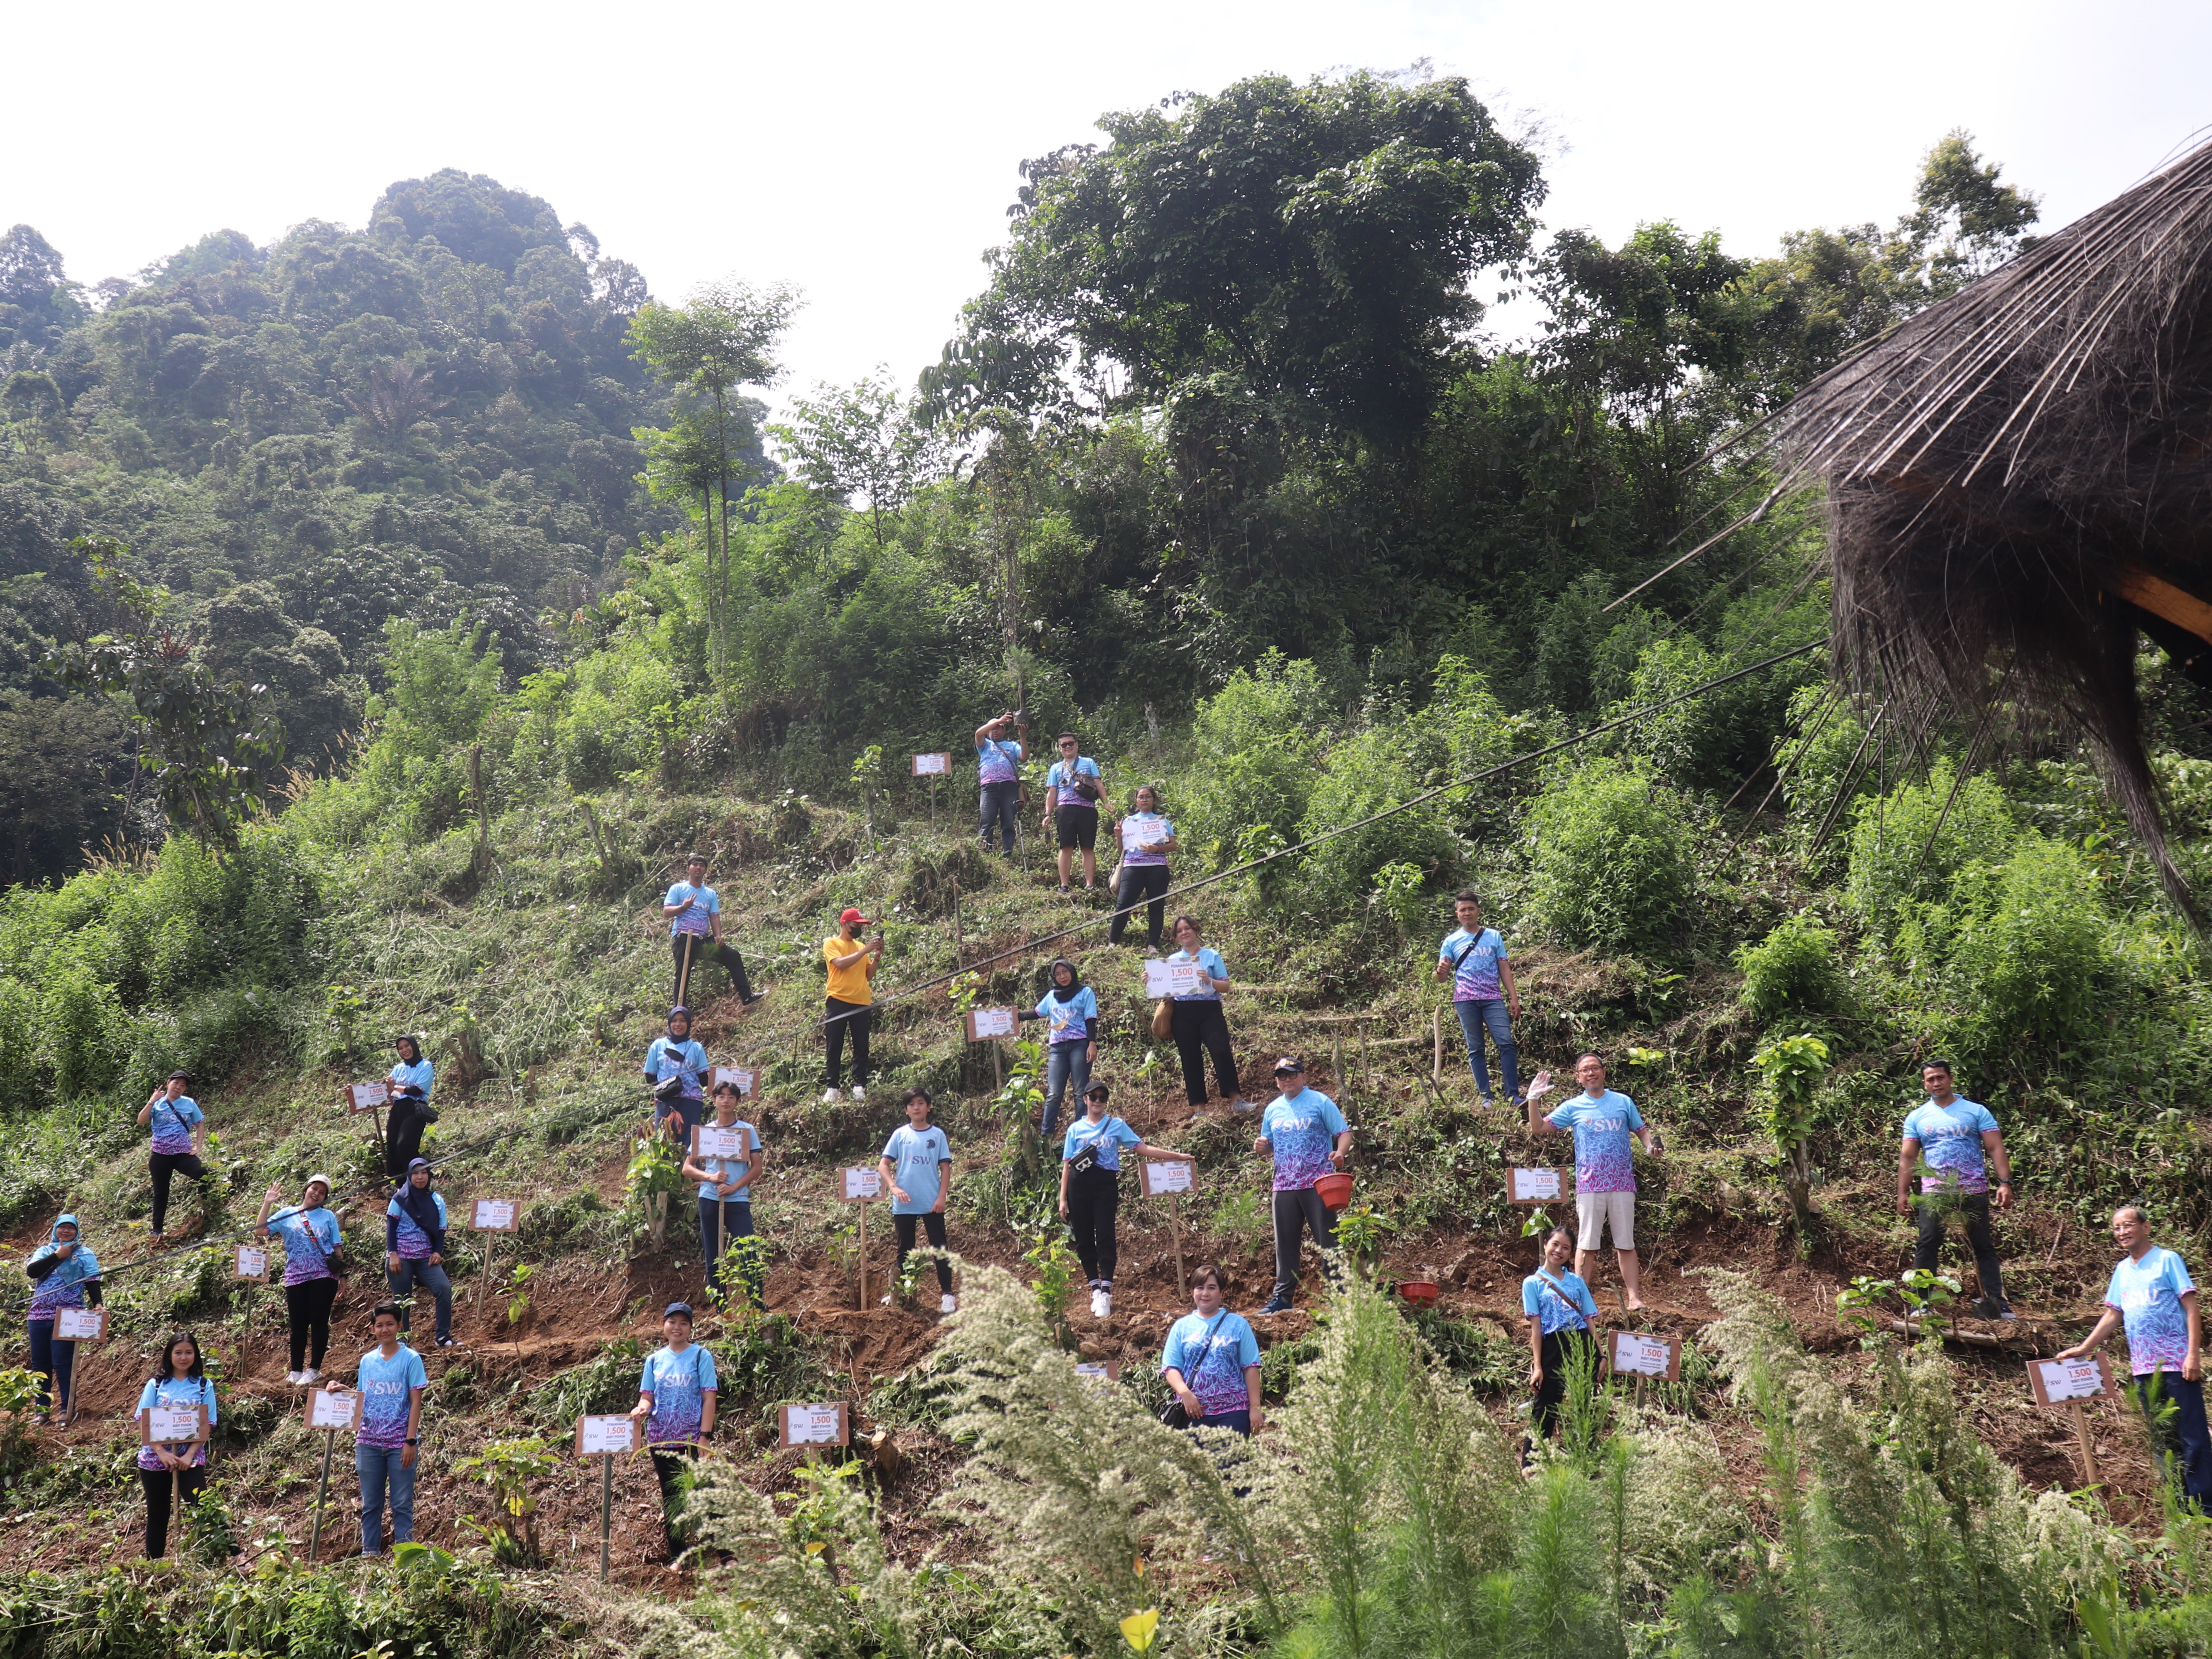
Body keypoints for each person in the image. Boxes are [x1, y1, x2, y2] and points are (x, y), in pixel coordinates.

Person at [2056, 1206, 2210, 1507]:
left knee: (2192, 1437)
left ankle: (2204, 1505)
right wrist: (2084, 1348)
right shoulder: (2122, 1270)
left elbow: (2192, 1308)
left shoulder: (2167, 1260)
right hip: (2142, 1369)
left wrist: (2193, 1356)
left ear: (2146, 1227)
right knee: (2162, 1440)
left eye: (2128, 1225)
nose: (2122, 1232)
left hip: (2177, 1365)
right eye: (2116, 1228)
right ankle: (2177, 1507)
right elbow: (2114, 1314)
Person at [1533, 1053, 1662, 1312]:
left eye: (1595, 1068)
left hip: (1622, 1184)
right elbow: (1539, 1128)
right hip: (1590, 1185)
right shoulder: (1573, 1107)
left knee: (1626, 1243)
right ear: (1578, 1077)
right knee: (1587, 1244)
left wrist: (1651, 1148)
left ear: (1604, 1072)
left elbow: (1641, 1130)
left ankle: (1634, 1298)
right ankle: (1578, 1298)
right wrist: (1533, 1100)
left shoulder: (1623, 1102)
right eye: (1585, 1070)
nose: (1591, 1073)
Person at [1059, 1081, 1193, 1319]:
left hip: (1105, 1184)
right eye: (1094, 1097)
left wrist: (1176, 1156)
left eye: (1103, 1097)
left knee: (1106, 1235)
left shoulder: (1116, 1125)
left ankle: (1107, 1290)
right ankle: (1095, 1288)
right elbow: (1068, 1165)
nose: (1098, 1101)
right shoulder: (1075, 1129)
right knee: (1084, 1239)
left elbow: (1143, 1148)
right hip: (1078, 1187)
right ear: (1085, 1099)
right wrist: (1063, 1199)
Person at [1897, 1060, 2014, 1318]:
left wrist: (2004, 1182)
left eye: (1940, 1077)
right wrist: (1903, 1193)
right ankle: (1921, 1303)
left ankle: (1997, 1304)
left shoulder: (1975, 1111)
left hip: (1973, 1189)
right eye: (1930, 1080)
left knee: (1983, 1246)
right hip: (1934, 1192)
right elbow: (1908, 1157)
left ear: (1950, 1078)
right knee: (1927, 1244)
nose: (1936, 1083)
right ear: (1924, 1084)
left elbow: (1995, 1148)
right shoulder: (1918, 1117)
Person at [1254, 1057, 1351, 1316]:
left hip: (1319, 1183)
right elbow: (1269, 1144)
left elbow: (1343, 1132)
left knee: (1328, 1239)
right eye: (1282, 1076)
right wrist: (1264, 1148)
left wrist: (1340, 1153)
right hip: (1284, 1184)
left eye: (1292, 1074)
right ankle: (1283, 1298)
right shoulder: (1273, 1109)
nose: (1287, 1079)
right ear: (1276, 1081)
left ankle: (1338, 1296)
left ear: (1304, 1077)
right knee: (1285, 1244)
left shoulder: (1320, 1102)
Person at [332, 1302, 426, 1558]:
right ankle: (369, 1553)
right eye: (380, 1325)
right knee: (371, 1504)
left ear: (400, 1327)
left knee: (402, 1504)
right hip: (368, 1442)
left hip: (399, 1444)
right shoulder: (367, 1361)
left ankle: (406, 1557)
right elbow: (364, 1397)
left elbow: (416, 1401)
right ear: (373, 1329)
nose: (385, 1330)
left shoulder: (411, 1359)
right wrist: (342, 1389)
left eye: (390, 1324)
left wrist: (410, 1441)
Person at [631, 1301, 718, 1559]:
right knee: (671, 1497)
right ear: (663, 1325)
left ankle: (724, 1553)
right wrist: (642, 1409)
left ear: (691, 1328)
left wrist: (705, 1437)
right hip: (661, 1440)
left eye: (683, 1323)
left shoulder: (702, 1356)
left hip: (693, 1439)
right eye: (672, 1322)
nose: (677, 1327)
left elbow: (709, 1399)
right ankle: (678, 1557)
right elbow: (647, 1397)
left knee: (707, 1493)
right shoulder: (654, 1360)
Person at [135, 1331, 217, 1559]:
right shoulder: (156, 1385)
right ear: (169, 1356)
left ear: (196, 1356)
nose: (184, 1358)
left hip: (189, 1459)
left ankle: (229, 1557)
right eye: (178, 1353)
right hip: (155, 1459)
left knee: (202, 1506)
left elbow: (207, 1424)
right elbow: (145, 1420)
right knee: (158, 1514)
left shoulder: (203, 1385)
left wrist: (190, 1455)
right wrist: (161, 1453)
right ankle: (155, 1565)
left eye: (189, 1353)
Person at [1434, 890, 1521, 1107]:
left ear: (1479, 911)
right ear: (1457, 914)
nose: (1467, 913)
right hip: (1465, 999)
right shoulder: (1451, 941)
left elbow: (1504, 967)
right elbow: (1442, 978)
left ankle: (1513, 1095)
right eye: (1463, 910)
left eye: (1471, 909)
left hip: (1493, 998)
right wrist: (1440, 970)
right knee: (1476, 1048)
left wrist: (1514, 998)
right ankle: (1486, 1097)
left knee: (1506, 1043)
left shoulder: (1493, 936)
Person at [1522, 1226, 1603, 1456]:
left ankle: (1583, 1458)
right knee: (1547, 1404)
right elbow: (1536, 1329)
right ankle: (1533, 1463)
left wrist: (1601, 1355)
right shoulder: (1533, 1283)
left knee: (1584, 1403)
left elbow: (1589, 1321)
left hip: (1582, 1344)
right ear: (1546, 1245)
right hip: (1553, 1346)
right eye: (1555, 1244)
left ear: (1571, 1253)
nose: (1559, 1251)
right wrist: (1537, 1366)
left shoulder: (1577, 1283)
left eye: (1566, 1248)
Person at [684, 1080, 765, 1305]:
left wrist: (734, 1187)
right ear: (714, 1100)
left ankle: (757, 1303)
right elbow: (687, 1168)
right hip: (710, 1198)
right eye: (722, 1096)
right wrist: (710, 1177)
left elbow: (757, 1168)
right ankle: (721, 1305)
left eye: (731, 1097)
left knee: (748, 1250)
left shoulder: (747, 1131)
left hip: (737, 1200)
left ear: (738, 1102)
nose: (726, 1101)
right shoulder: (705, 1132)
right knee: (713, 1253)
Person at [258, 1175, 343, 1384]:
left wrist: (344, 1275)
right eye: (314, 1189)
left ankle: (314, 1369)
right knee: (298, 1325)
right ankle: (296, 1370)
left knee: (319, 1321)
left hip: (324, 1275)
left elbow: (337, 1248)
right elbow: (260, 1231)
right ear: (306, 1190)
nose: (317, 1194)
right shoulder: (287, 1214)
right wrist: (267, 1203)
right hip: (295, 1275)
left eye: (322, 1193)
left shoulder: (328, 1216)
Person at [1161, 1264, 1263, 1434]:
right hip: (1191, 1413)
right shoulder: (1181, 1327)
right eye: (1200, 1288)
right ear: (1193, 1292)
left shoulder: (1238, 1324)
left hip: (1233, 1412)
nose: (1205, 1294)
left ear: (1221, 1292)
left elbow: (1251, 1367)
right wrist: (1186, 1394)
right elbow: (1171, 1367)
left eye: (1212, 1288)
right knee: (1196, 1462)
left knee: (1229, 1461)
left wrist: (1255, 1408)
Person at [879, 1087, 956, 1314]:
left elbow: (945, 1168)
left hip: (932, 1202)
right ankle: (902, 1292)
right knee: (905, 1249)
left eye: (921, 1103)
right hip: (904, 1204)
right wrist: (894, 1187)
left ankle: (948, 1295)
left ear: (928, 1107)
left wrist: (942, 1197)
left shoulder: (937, 1135)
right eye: (912, 1104)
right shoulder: (900, 1135)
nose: (916, 1108)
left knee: (940, 1248)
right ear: (906, 1110)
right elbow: (884, 1165)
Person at [1165, 915, 1246, 1114]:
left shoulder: (1212, 956)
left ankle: (1237, 1101)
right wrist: (1151, 980)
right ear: (1176, 937)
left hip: (1210, 1010)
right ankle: (1199, 1110)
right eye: (1179, 931)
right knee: (1190, 1058)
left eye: (1187, 928)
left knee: (1221, 1050)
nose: (1184, 933)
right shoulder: (1172, 961)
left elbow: (1226, 986)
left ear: (1195, 930)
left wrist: (1209, 980)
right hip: (1182, 1013)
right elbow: (1164, 989)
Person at [24, 1214, 100, 1424]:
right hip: (38, 1314)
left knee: (63, 1362)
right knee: (40, 1364)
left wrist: (98, 1304)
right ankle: (42, 1411)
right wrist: (58, 1255)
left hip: (69, 1315)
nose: (66, 1231)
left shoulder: (85, 1254)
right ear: (55, 1230)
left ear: (77, 1231)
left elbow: (92, 1280)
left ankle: (67, 1409)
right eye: (62, 1227)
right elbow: (33, 1272)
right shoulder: (45, 1251)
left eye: (71, 1228)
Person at [664, 854, 761, 1008]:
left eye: (702, 865)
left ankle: (747, 997)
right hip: (683, 937)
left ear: (706, 870)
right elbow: (666, 912)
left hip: (703, 940)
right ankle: (679, 1013)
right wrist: (684, 907)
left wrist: (718, 935)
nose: (698, 868)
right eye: (695, 865)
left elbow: (714, 916)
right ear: (687, 869)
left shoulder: (710, 894)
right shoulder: (678, 889)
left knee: (733, 956)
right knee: (682, 976)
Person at [1018, 956, 1098, 1136]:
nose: (1063, 977)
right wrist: (1015, 1016)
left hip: (1080, 1045)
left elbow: (1091, 1018)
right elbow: (1038, 1013)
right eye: (1058, 974)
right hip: (1058, 1049)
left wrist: (1092, 1044)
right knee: (1054, 1095)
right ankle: (1045, 1138)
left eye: (1065, 972)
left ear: (1072, 971)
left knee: (1080, 1092)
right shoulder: (1053, 996)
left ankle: (1081, 1136)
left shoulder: (1085, 992)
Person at [384, 1158, 454, 1349]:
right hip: (401, 1257)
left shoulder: (436, 1200)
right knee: (403, 1300)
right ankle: (403, 1340)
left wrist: (437, 1252)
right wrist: (393, 1254)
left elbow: (441, 1229)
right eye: (416, 1173)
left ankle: (443, 1337)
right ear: (410, 1176)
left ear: (429, 1175)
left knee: (444, 1289)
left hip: (426, 1257)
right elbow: (391, 1228)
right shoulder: (399, 1199)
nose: (420, 1177)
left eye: (424, 1172)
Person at [137, 1071, 208, 1245]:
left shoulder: (189, 1103)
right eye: (176, 1083)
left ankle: (206, 1212)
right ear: (168, 1083)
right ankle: (157, 1230)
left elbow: (200, 1124)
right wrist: (151, 1101)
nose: (179, 1087)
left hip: (183, 1154)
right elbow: (141, 1121)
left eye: (183, 1086)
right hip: (160, 1155)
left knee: (202, 1173)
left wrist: (198, 1146)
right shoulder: (157, 1103)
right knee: (161, 1192)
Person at [822, 907, 882, 1105]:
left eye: (861, 926)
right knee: (834, 1044)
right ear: (845, 924)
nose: (859, 929)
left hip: (861, 1000)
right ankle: (833, 1087)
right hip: (838, 998)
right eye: (856, 925)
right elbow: (840, 964)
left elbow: (868, 976)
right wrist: (865, 950)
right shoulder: (832, 943)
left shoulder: (860, 945)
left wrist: (876, 957)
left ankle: (860, 1085)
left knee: (861, 1045)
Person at [1110, 785, 1175, 949]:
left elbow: (1173, 845)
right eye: (1141, 797)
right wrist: (1118, 836)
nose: (1145, 800)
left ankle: (1153, 945)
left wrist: (1157, 849)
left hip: (1157, 867)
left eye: (1148, 797)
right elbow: (1121, 850)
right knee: (1123, 904)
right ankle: (1112, 943)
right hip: (1133, 867)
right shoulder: (1129, 822)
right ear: (1136, 801)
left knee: (1156, 906)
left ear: (1153, 800)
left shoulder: (1162, 820)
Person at [1042, 732, 1105, 892]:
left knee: (1088, 847)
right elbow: (1052, 792)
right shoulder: (1056, 768)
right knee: (1066, 847)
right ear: (1060, 748)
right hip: (1065, 810)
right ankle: (1064, 885)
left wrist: (1107, 803)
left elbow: (1098, 783)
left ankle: (1090, 884)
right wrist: (1048, 814)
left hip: (1087, 809)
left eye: (1071, 744)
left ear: (1077, 745)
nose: (1068, 747)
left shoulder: (1088, 762)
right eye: (1064, 745)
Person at [644, 1006, 711, 1137]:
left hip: (691, 1102)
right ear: (669, 1023)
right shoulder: (658, 1046)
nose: (678, 1025)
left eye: (683, 1021)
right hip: (665, 1100)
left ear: (689, 1024)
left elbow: (704, 1080)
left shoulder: (696, 1048)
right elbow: (650, 1077)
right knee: (663, 1140)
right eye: (674, 1021)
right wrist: (668, 1088)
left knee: (689, 1142)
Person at [382, 1035, 438, 1180]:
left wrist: (395, 1087)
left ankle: (422, 1178)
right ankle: (399, 1183)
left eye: (407, 1046)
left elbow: (417, 1090)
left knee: (405, 1144)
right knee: (393, 1145)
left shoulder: (425, 1066)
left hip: (415, 1109)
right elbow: (389, 1090)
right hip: (398, 1108)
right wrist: (354, 1093)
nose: (404, 1050)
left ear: (414, 1046)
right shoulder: (398, 1068)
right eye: (401, 1048)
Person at [974, 709, 1027, 860]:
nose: (995, 731)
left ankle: (1007, 854)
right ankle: (985, 855)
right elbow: (978, 734)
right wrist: (997, 721)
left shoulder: (1012, 745)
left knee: (1008, 822)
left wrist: (1023, 737)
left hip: (1008, 787)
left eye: (998, 728)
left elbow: (1024, 757)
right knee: (987, 820)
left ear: (1004, 731)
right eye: (993, 728)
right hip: (989, 788)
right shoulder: (985, 745)